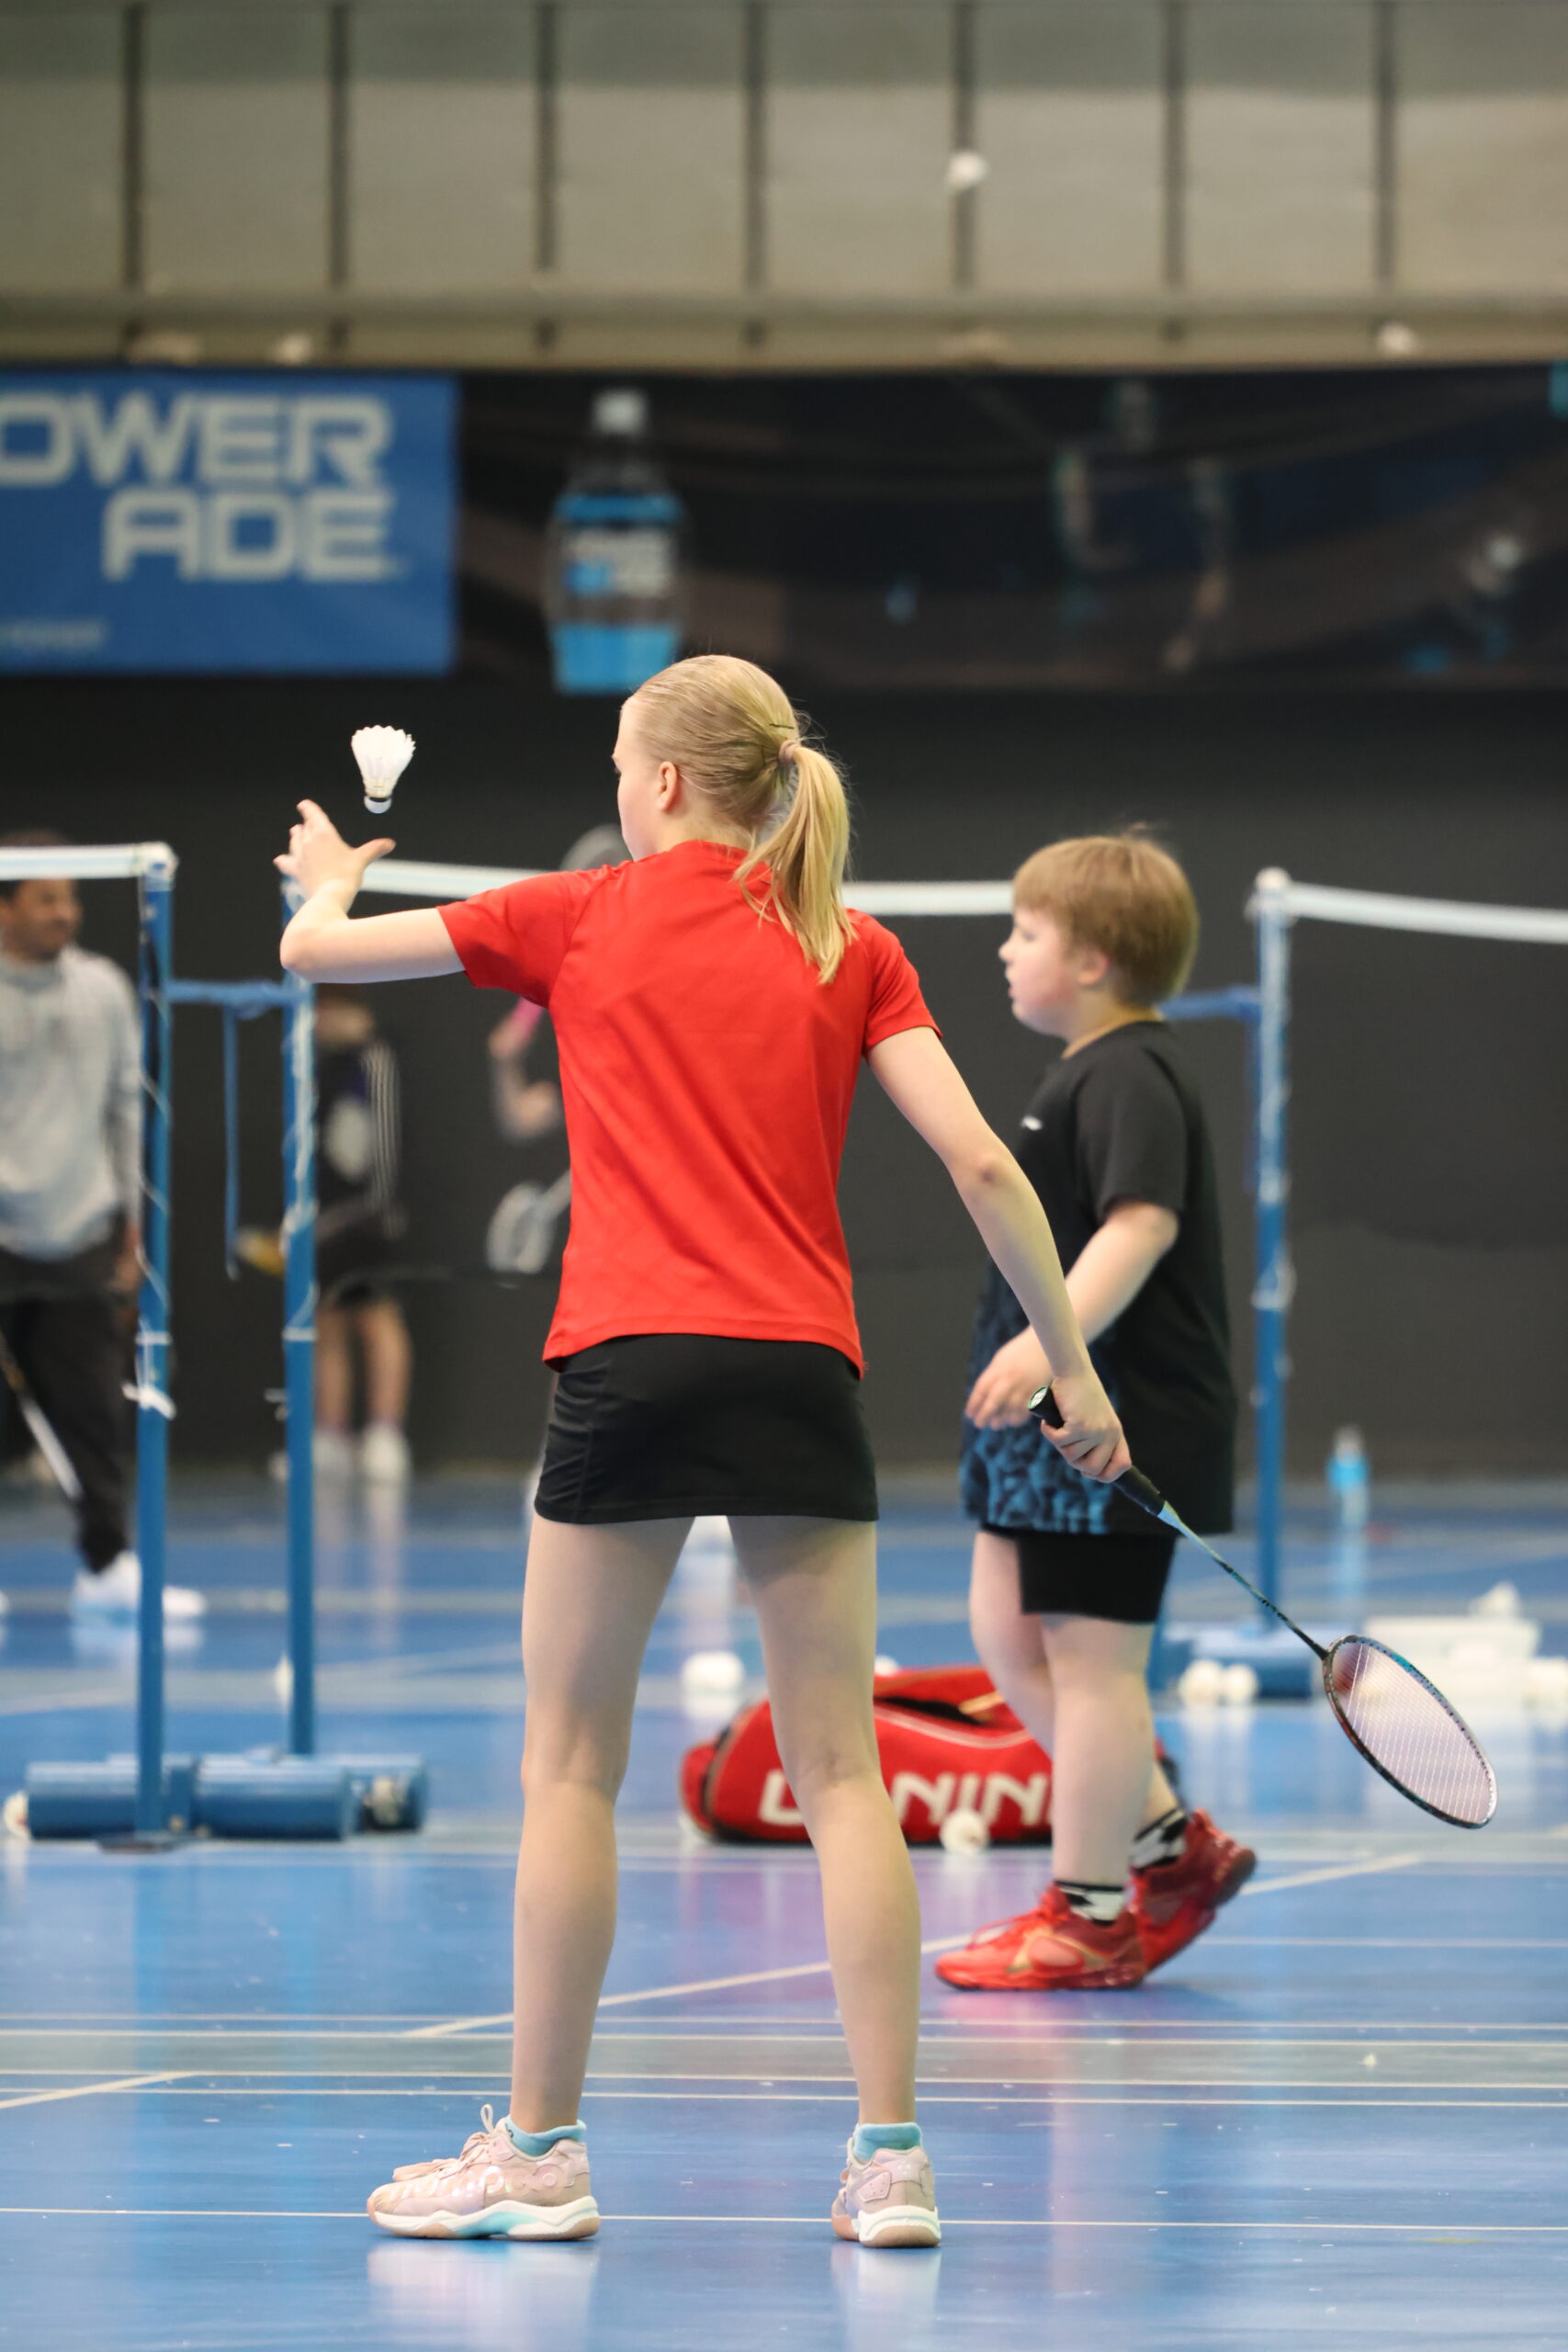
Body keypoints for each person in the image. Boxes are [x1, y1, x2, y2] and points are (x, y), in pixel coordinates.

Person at [274, 653, 1127, 2247]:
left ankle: (540, 2154)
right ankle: (890, 2163)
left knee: (568, 1766)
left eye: (619, 760)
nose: (614, 785)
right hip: (799, 1368)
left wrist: (324, 880)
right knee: (842, 1774)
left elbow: (313, 952)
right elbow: (980, 1168)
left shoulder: (576, 914)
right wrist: (1072, 1373)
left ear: (663, 783)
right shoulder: (849, 943)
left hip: (626, 1360)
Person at [936, 832, 1251, 1996]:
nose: (1005, 950)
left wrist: (1044, 1343)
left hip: (1117, 1416)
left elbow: (1140, 1224)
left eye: (1027, 932)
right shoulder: (1082, 1069)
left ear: (1094, 960)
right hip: (1043, 1426)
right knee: (1007, 1635)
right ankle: (1172, 1844)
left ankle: (1091, 1915)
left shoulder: (1130, 1073)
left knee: (1094, 1665)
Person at [0, 830, 204, 1620]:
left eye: (71, 897)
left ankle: (108, 1563)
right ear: (5, 907)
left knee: (91, 1411)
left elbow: (128, 1108)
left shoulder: (105, 990)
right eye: (45, 898)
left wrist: (133, 1221)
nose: (64, 912)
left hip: (81, 1228)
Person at [311, 985, 412, 1483]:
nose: (317, 1024)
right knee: (328, 1321)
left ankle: (385, 1434)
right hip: (326, 1222)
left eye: (324, 1012)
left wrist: (378, 1210)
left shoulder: (376, 1058)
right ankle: (331, 1436)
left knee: (376, 1318)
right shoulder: (324, 1066)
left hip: (369, 1220)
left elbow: (387, 1145)